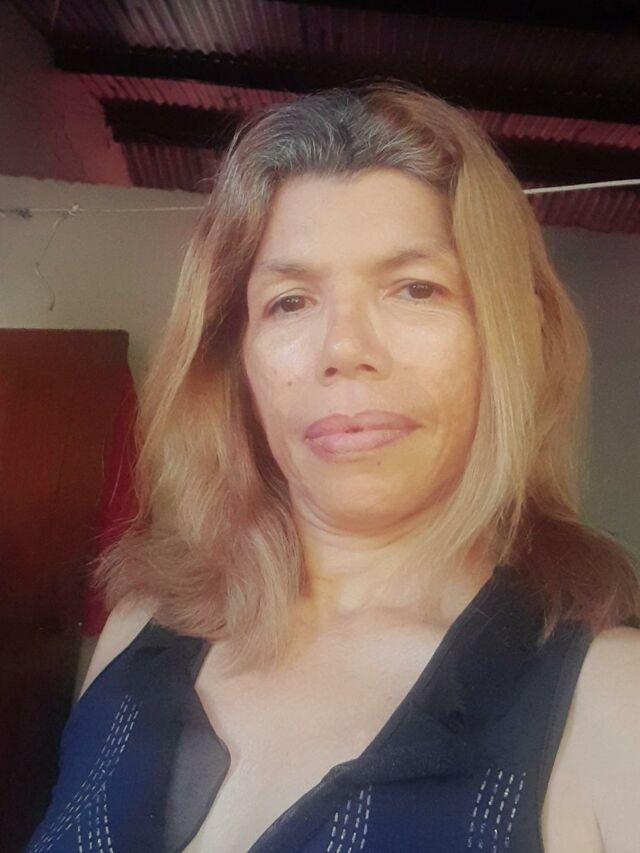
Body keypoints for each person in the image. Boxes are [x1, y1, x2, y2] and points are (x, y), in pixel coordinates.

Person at [26, 80, 640, 853]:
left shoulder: (613, 706)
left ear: (513, 339)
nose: (345, 348)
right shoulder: (137, 631)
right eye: (289, 301)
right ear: (236, 360)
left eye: (415, 288)